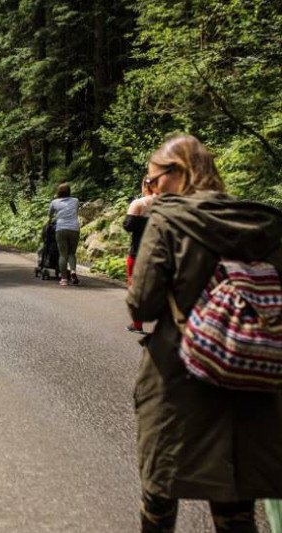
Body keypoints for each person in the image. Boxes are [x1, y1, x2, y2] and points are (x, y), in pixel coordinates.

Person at [127, 134, 282, 533]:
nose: (152, 189)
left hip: (179, 377)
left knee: (160, 494)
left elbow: (142, 303)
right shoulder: (262, 224)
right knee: (234, 504)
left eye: (153, 180)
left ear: (177, 172)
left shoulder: (168, 220)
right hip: (253, 375)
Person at [123, 179, 155, 333]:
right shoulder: (169, 204)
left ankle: (137, 323)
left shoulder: (139, 203)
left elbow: (128, 226)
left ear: (145, 186)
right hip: (161, 252)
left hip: (139, 252)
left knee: (135, 287)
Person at [48, 183, 80, 286]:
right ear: (69, 191)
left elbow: (50, 215)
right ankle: (73, 271)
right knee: (71, 253)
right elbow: (76, 211)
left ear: (58, 192)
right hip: (74, 228)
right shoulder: (75, 201)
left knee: (63, 254)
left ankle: (64, 279)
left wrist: (49, 222)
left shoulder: (54, 202)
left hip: (61, 228)